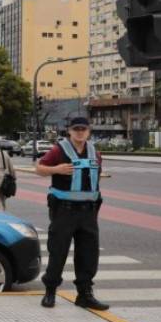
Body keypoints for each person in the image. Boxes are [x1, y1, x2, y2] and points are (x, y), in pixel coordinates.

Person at [36, 116, 109, 311]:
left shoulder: (95, 152)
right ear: (69, 131)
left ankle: (84, 295)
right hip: (64, 211)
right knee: (58, 251)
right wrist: (56, 169)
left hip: (89, 213)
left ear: (88, 131)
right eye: (76, 129)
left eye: (83, 129)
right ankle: (50, 291)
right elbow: (39, 168)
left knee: (88, 254)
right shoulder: (58, 150)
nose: (79, 132)